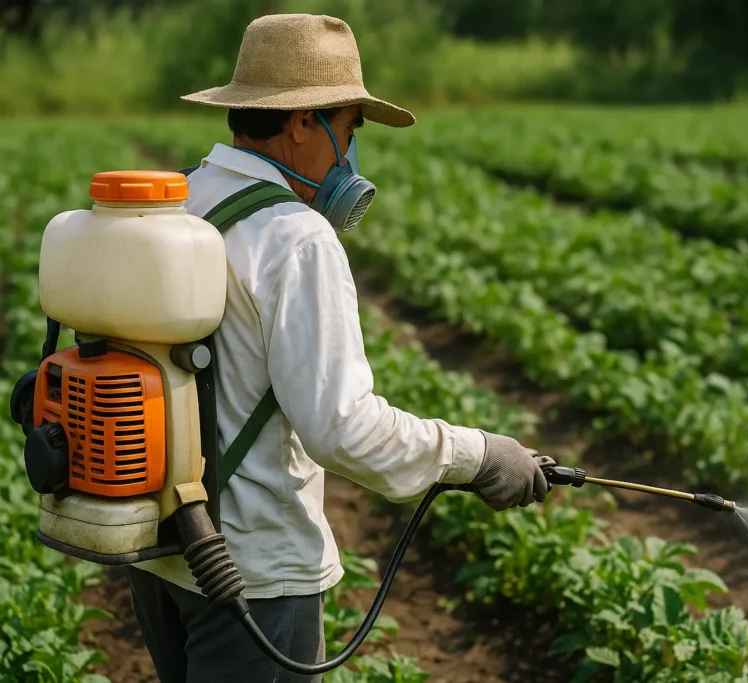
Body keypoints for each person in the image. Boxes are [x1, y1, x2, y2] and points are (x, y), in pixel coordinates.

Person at [125, 13, 551, 683]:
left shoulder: (179, 203)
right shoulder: (294, 236)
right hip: (255, 574)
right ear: (301, 122)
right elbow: (344, 429)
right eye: (349, 129)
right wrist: (479, 454)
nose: (350, 155)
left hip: (164, 554)